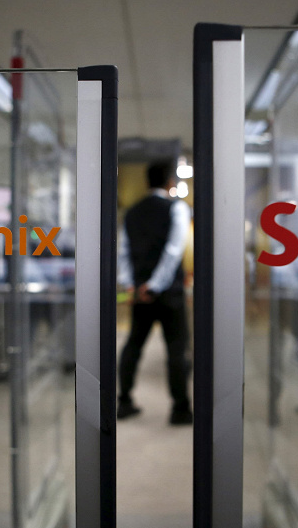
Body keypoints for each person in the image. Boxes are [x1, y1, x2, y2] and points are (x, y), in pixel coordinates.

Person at [116, 161, 193, 425]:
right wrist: (156, 284)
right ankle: (180, 409)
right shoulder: (177, 208)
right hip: (168, 292)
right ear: (170, 183)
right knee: (176, 349)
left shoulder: (132, 212)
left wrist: (132, 284)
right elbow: (173, 251)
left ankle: (124, 401)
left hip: (140, 292)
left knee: (133, 345)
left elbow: (124, 251)